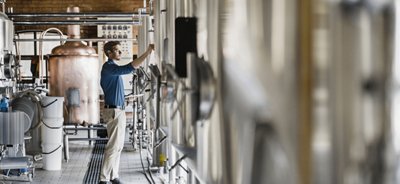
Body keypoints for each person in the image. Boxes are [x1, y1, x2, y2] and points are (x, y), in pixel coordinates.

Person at [99, 41, 153, 184]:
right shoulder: (108, 67)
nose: (120, 53)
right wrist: (147, 53)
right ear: (109, 53)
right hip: (113, 111)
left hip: (118, 109)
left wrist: (125, 99)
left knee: (118, 146)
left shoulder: (113, 69)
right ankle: (103, 179)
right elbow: (130, 67)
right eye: (117, 50)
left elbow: (114, 90)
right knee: (113, 146)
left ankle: (113, 176)